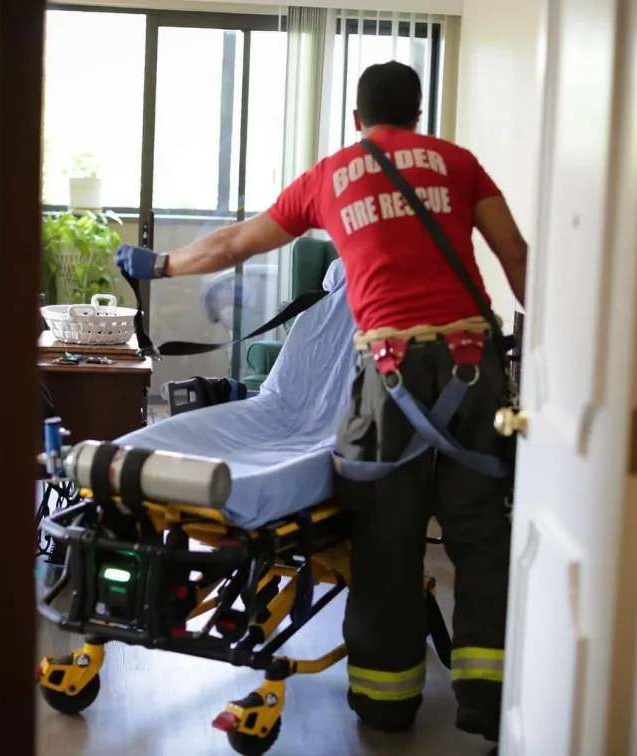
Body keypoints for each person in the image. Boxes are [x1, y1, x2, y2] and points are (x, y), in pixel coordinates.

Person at [115, 60, 528, 744]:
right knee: (480, 532)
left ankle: (386, 704)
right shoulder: (459, 163)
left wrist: (157, 265)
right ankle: (487, 699)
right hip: (471, 366)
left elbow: (231, 245)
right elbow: (515, 256)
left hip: (387, 375)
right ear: (418, 115)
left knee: (386, 536)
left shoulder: (330, 176)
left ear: (356, 119)